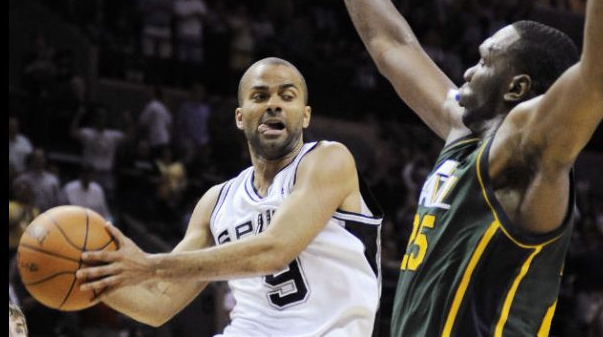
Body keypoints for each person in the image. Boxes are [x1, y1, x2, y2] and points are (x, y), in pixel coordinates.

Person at [277, 0, 603, 334]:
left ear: (517, 88)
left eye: (486, 60)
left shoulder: (526, 146)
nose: (469, 69)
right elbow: (390, 43)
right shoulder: (464, 132)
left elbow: (602, 78)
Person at [77, 57, 383, 336]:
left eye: (287, 97)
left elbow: (274, 251)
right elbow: (159, 303)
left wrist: (149, 264)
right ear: (240, 116)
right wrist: (85, 278)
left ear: (305, 116)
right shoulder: (216, 202)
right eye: (260, 96)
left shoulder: (329, 160)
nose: (274, 104)